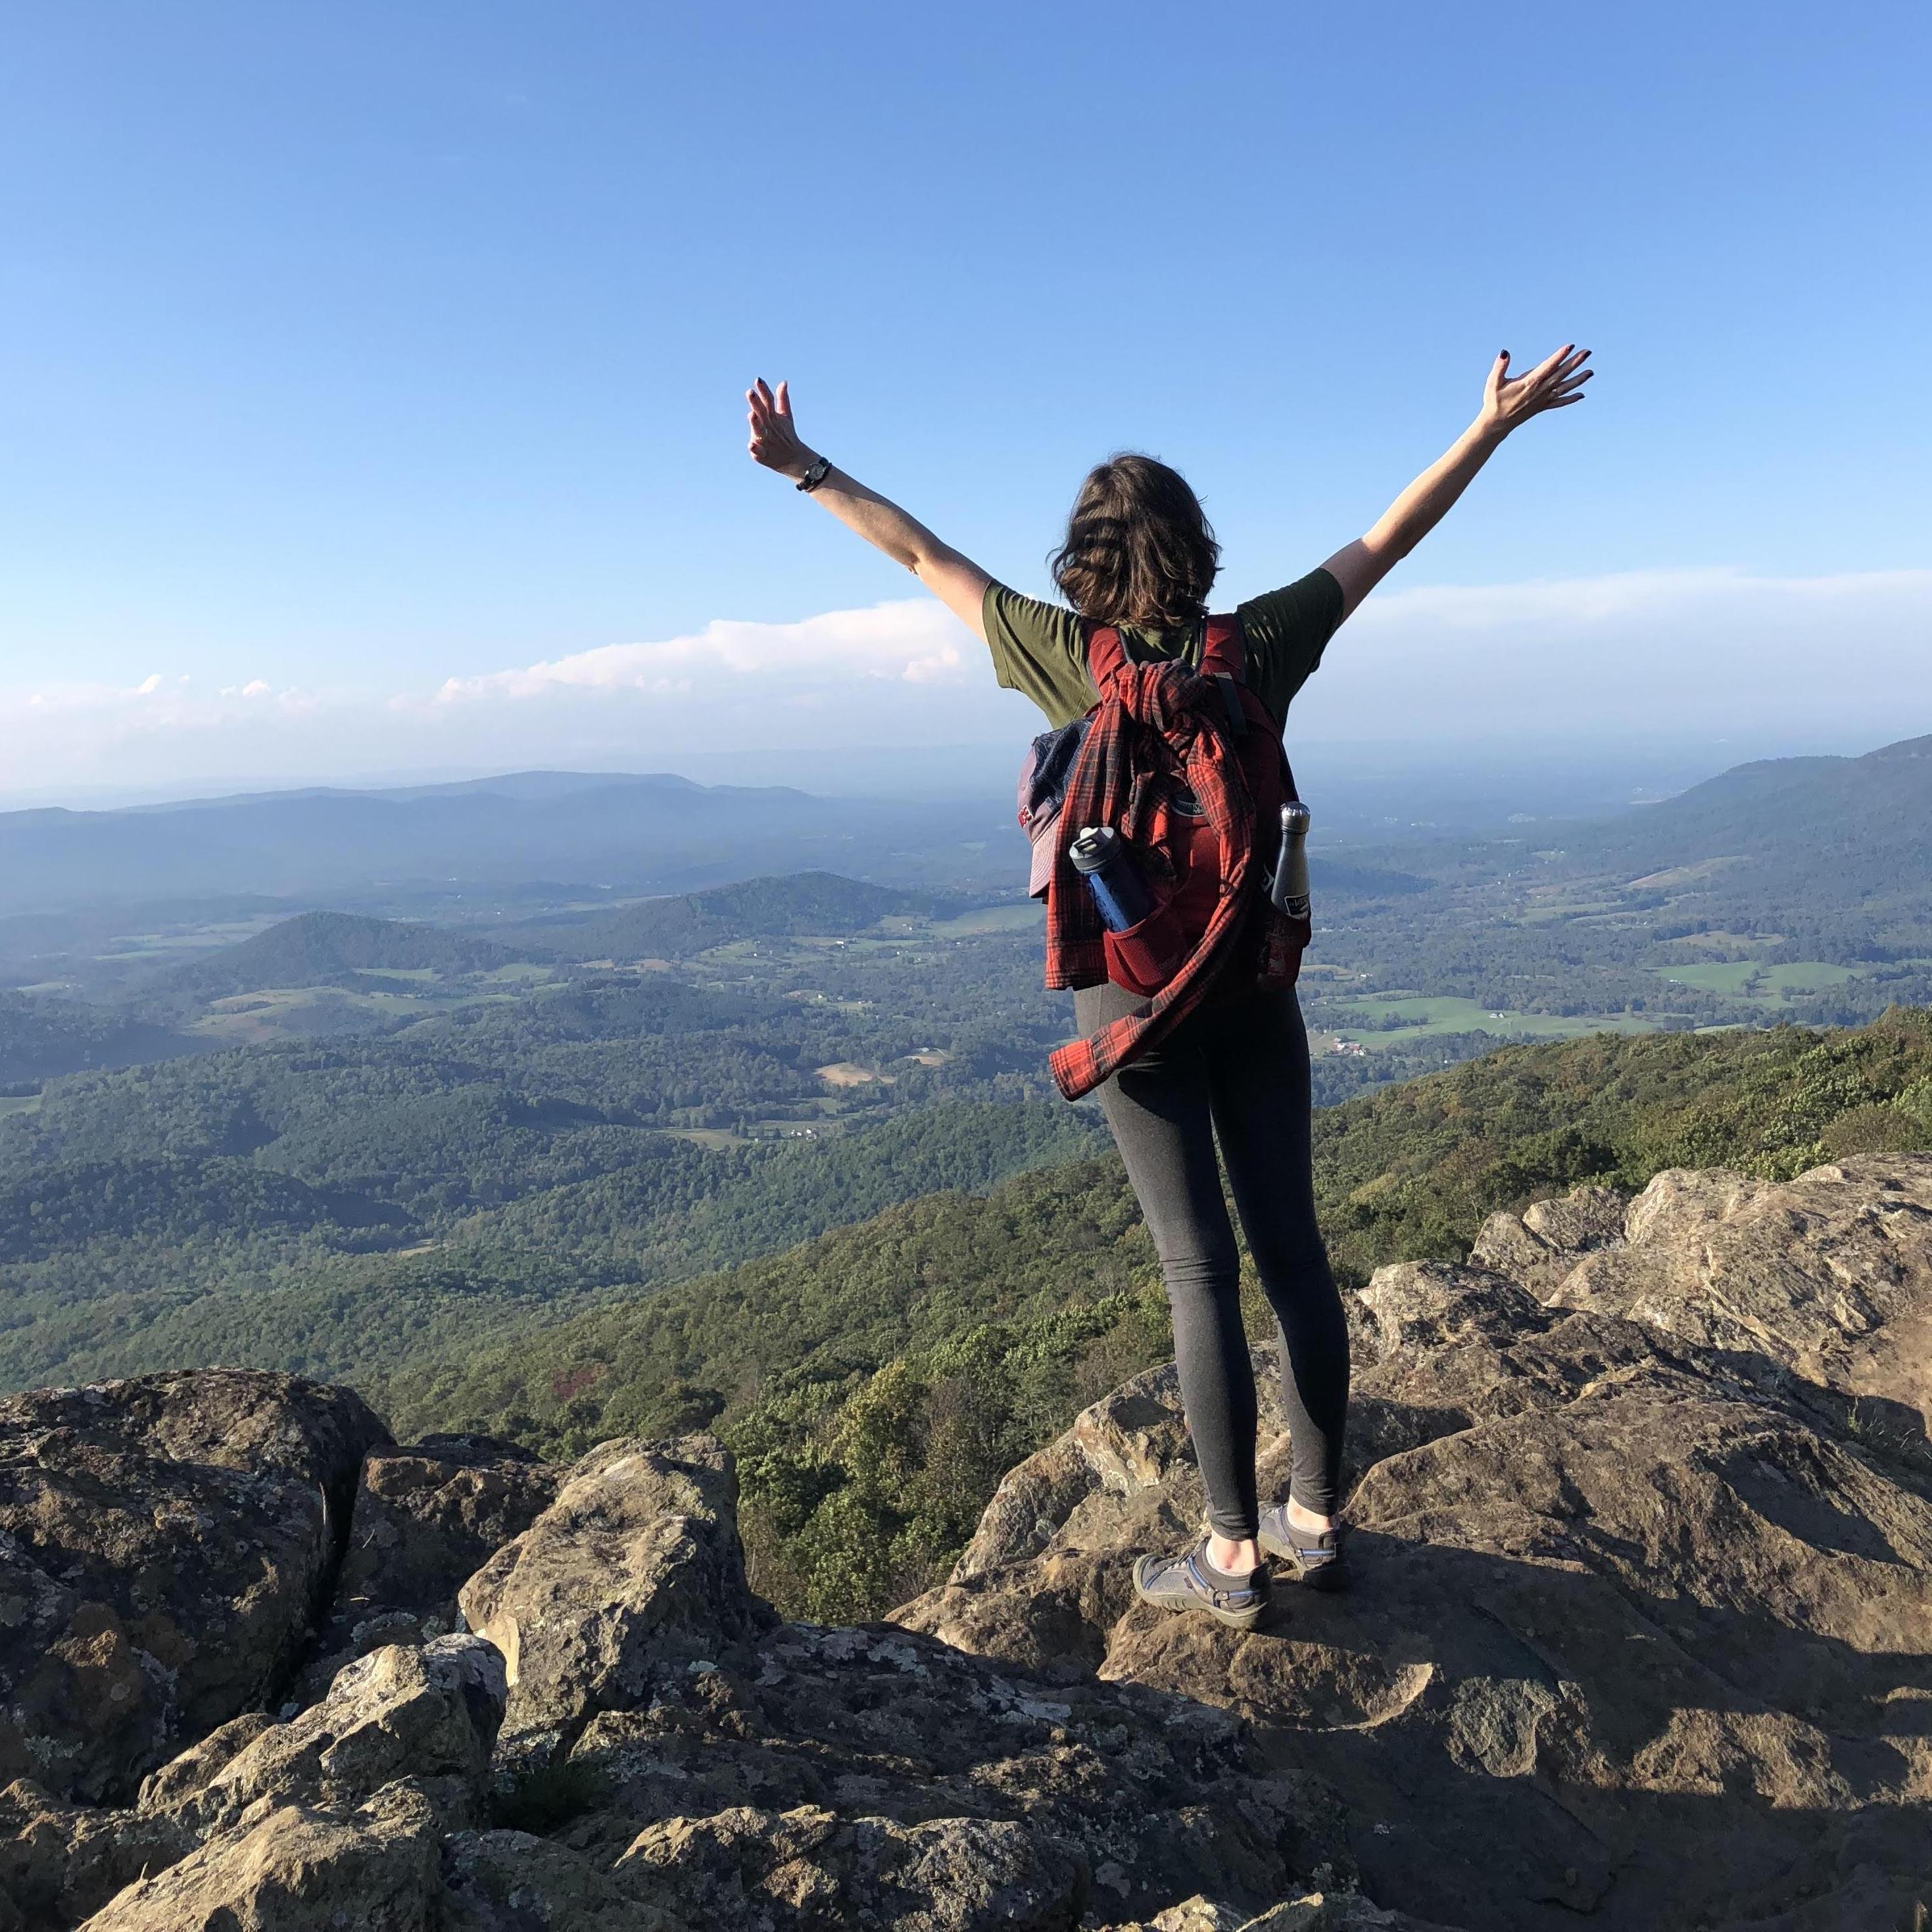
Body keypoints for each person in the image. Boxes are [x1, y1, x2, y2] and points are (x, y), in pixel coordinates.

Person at [745, 347, 1593, 1628]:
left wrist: (803, 467)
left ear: (1082, 564)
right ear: (1194, 549)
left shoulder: (1059, 654)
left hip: (1131, 1007)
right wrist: (1488, 428)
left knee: (1196, 1272)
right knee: (1292, 1252)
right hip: (1250, 981)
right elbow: (1385, 541)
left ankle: (1230, 1558)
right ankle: (1314, 1523)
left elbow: (918, 554)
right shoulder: (1252, 646)